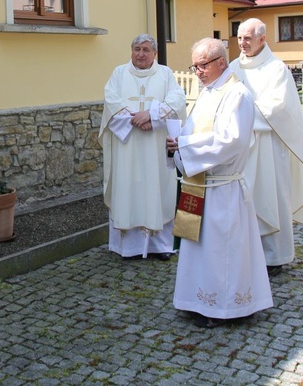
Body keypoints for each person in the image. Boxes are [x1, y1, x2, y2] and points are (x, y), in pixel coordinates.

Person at [167, 37, 273, 328]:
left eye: (202, 65)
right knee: (198, 247)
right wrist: (178, 143)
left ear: (221, 62)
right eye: (195, 66)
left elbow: (231, 141)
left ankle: (223, 308)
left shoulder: (236, 94)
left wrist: (185, 146)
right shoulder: (208, 93)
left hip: (223, 186)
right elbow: (192, 130)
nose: (198, 71)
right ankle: (197, 299)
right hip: (199, 183)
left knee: (221, 251)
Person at [228, 18, 303, 276]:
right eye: (240, 38)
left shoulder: (277, 69)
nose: (243, 43)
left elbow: (278, 108)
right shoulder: (234, 67)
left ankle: (275, 257)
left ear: (262, 39)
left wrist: (241, 115)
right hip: (242, 145)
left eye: (248, 38)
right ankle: (245, 253)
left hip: (267, 144)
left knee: (271, 197)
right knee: (244, 199)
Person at [99, 34, 187, 260]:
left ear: (154, 53)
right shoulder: (119, 73)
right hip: (126, 145)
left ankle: (160, 247)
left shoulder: (165, 74)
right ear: (131, 51)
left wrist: (152, 116)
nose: (140, 54)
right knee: (128, 188)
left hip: (155, 146)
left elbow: (177, 100)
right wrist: (136, 119)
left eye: (146, 49)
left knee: (156, 189)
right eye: (137, 49)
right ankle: (128, 248)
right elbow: (111, 100)